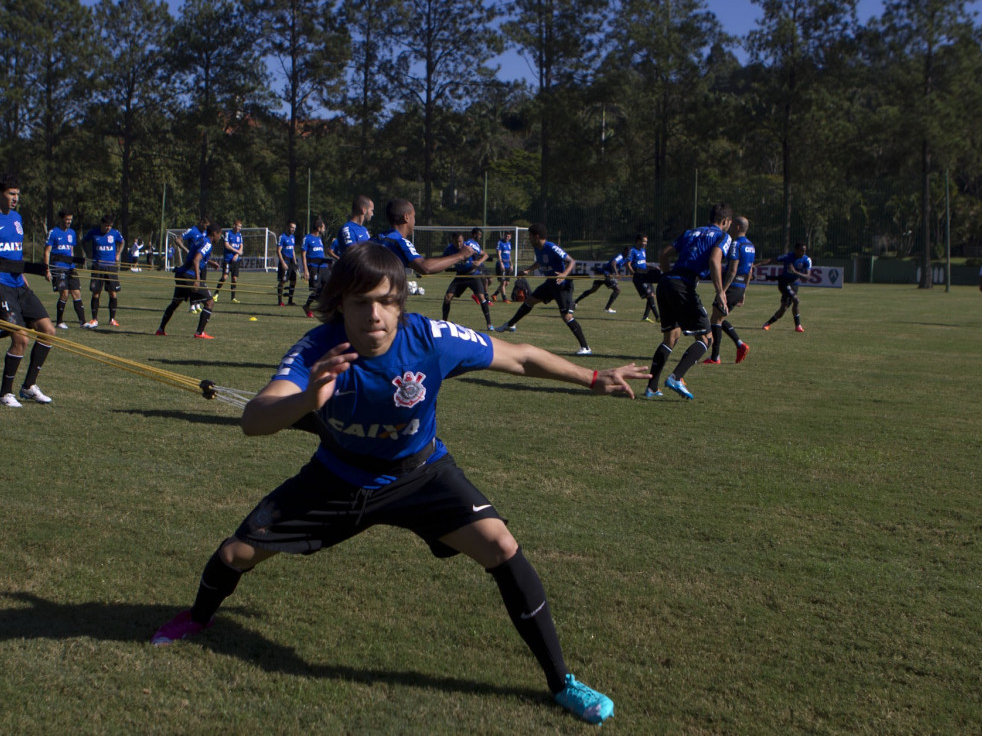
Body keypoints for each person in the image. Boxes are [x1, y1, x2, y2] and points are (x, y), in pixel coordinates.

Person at [149, 241, 650, 726]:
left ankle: (562, 682)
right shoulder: (317, 349)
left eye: (388, 302)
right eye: (362, 303)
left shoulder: (431, 339)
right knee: (238, 554)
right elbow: (254, 419)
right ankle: (196, 618)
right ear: (338, 304)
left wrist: (590, 378)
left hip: (421, 475)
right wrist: (307, 398)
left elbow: (517, 355)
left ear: (401, 303)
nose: (376, 316)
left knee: (501, 546)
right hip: (339, 478)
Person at [0, 172, 57, 408]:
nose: (16, 198)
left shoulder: (17, 218)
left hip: (19, 283)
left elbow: (15, 253)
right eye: (12, 193)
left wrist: (23, 275)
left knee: (48, 330)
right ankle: (5, 394)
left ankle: (28, 386)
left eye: (18, 194)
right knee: (21, 338)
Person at [643, 205, 732, 400]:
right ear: (725, 222)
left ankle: (651, 388)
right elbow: (714, 260)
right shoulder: (723, 236)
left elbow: (663, 254)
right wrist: (720, 292)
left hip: (666, 283)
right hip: (683, 285)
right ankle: (676, 377)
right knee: (707, 339)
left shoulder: (691, 232)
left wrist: (667, 276)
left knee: (670, 338)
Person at [494, 224, 592, 356]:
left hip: (563, 285)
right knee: (529, 300)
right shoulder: (537, 248)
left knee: (567, 316)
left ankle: (585, 347)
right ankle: (510, 324)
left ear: (536, 236)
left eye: (529, 236)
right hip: (550, 283)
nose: (528, 239)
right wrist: (528, 270)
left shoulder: (551, 247)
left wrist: (564, 274)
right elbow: (540, 262)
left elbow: (571, 261)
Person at [157, 220, 221, 338]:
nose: (220, 237)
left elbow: (195, 256)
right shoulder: (207, 243)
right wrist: (197, 279)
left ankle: (160, 329)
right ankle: (199, 332)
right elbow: (196, 260)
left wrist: (210, 262)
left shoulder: (200, 240)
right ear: (215, 233)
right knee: (209, 302)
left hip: (182, 274)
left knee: (175, 302)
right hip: (189, 275)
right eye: (219, 234)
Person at [376, 198, 473, 276]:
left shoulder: (376, 239)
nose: (414, 221)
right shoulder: (399, 242)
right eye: (413, 216)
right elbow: (425, 267)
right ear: (406, 217)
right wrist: (460, 255)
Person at [705, 216, 754, 364]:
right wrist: (743, 291)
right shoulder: (751, 245)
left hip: (731, 287)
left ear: (738, 227)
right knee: (719, 318)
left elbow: (732, 270)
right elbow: (750, 271)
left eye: (733, 226)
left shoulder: (736, 244)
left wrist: (722, 291)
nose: (730, 227)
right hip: (739, 287)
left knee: (715, 318)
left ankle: (716, 357)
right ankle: (739, 345)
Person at [440, 229, 492, 330]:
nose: (459, 244)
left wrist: (479, 262)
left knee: (481, 298)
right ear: (452, 240)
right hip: (460, 276)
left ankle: (489, 324)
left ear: (463, 240)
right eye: (456, 241)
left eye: (461, 241)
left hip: (473, 274)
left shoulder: (470, 246)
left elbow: (485, 255)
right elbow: (441, 259)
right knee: (447, 297)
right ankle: (444, 322)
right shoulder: (449, 249)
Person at [43, 210, 86, 329]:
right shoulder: (53, 232)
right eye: (67, 219)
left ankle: (83, 322)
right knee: (64, 294)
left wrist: (74, 263)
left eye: (70, 220)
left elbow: (71, 250)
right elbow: (47, 252)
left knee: (77, 293)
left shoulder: (72, 233)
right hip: (58, 267)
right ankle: (59, 322)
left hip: (70, 268)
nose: (69, 222)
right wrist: (47, 270)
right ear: (61, 219)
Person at [82, 214, 124, 328]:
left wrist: (118, 254)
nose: (108, 228)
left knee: (113, 292)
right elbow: (83, 241)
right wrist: (88, 253)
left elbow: (122, 241)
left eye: (110, 226)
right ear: (101, 224)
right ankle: (94, 319)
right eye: (106, 225)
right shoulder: (93, 233)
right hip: (98, 266)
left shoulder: (115, 233)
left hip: (110, 267)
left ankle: (112, 319)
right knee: (96, 292)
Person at [762, 242, 811, 332]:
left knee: (783, 309)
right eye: (801, 251)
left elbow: (808, 276)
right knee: (796, 300)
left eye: (804, 251)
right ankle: (798, 325)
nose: (803, 253)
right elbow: (772, 260)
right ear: (796, 250)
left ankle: (767, 323)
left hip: (795, 285)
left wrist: (795, 272)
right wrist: (756, 265)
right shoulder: (788, 256)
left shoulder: (806, 260)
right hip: (784, 283)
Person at [625, 234, 660, 323]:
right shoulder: (632, 250)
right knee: (650, 295)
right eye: (644, 241)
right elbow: (628, 264)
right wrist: (634, 274)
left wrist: (653, 266)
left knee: (652, 295)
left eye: (646, 241)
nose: (645, 243)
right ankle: (657, 316)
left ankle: (645, 317)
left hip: (646, 274)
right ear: (638, 241)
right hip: (639, 274)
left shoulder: (643, 250)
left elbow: (644, 263)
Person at [300, 218, 330, 318]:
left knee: (328, 287)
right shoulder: (307, 238)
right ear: (318, 228)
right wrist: (306, 270)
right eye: (323, 227)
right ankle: (307, 306)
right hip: (313, 268)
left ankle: (326, 309)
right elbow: (303, 255)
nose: (324, 229)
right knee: (316, 290)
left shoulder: (320, 239)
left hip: (324, 267)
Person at [212, 219, 244, 303]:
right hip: (227, 259)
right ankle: (216, 294)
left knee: (234, 278)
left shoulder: (239, 235)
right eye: (238, 226)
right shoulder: (228, 233)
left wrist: (237, 255)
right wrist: (237, 251)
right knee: (224, 277)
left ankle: (233, 298)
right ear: (234, 225)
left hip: (236, 260)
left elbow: (241, 246)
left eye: (241, 226)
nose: (239, 228)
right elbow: (227, 245)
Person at [276, 220, 298, 307]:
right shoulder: (282, 237)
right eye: (291, 227)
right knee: (282, 281)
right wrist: (283, 263)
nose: (293, 229)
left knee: (293, 281)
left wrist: (295, 262)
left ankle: (290, 300)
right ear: (287, 227)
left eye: (294, 228)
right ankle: (280, 301)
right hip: (285, 261)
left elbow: (293, 250)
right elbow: (278, 251)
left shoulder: (293, 237)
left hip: (291, 262)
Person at [492, 231, 514, 302]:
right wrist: (501, 263)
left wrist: (511, 265)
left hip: (507, 265)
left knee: (507, 283)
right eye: (506, 236)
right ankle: (504, 298)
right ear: (504, 236)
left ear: (510, 237)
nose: (507, 238)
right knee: (503, 282)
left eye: (508, 236)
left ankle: (495, 294)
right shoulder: (500, 243)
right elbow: (499, 254)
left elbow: (509, 255)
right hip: (501, 265)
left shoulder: (509, 244)